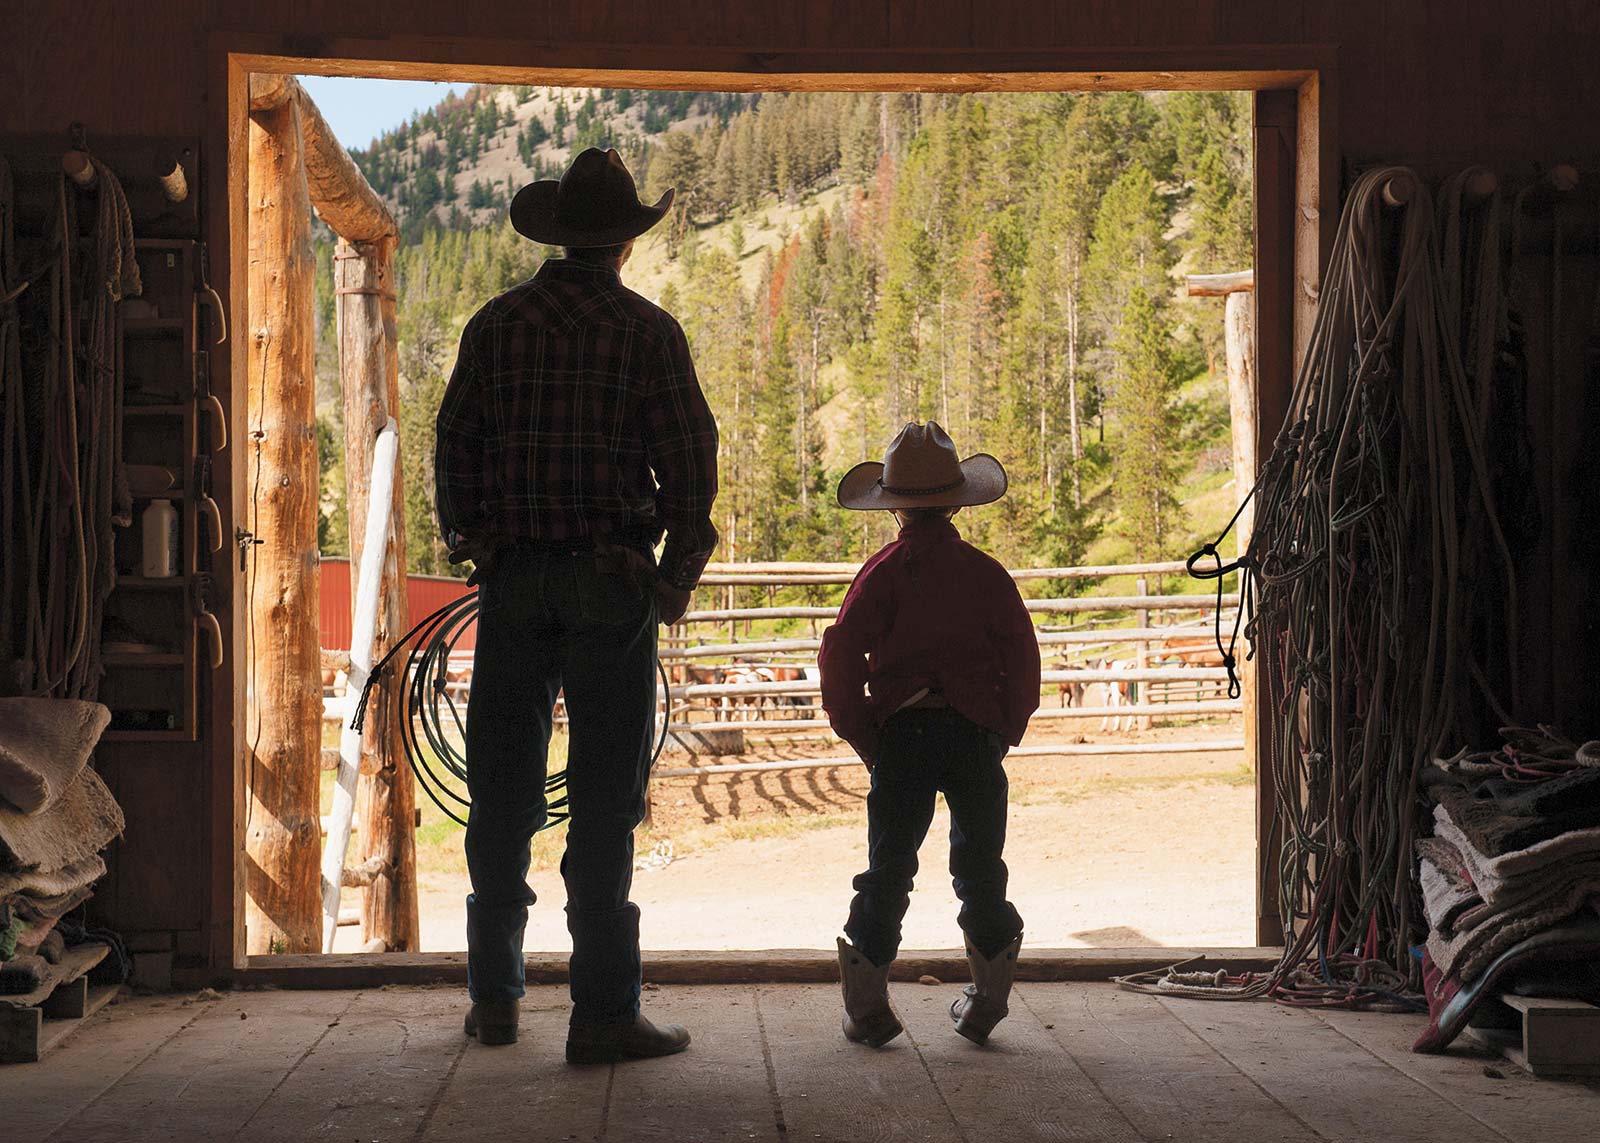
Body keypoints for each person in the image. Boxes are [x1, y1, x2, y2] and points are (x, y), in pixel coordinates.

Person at [434, 148, 719, 1064]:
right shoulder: (647, 333)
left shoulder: (496, 325)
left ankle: (496, 999)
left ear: (557, 236)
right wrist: (673, 575)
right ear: (624, 244)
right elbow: (690, 465)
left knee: (502, 792)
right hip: (611, 582)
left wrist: (476, 536)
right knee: (604, 800)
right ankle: (601, 1011)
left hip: (517, 581)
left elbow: (457, 444)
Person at [819, 421, 1040, 1047]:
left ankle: (867, 1010)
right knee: (980, 868)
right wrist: (1005, 725)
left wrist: (862, 731)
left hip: (904, 735)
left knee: (888, 868)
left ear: (894, 508)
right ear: (954, 501)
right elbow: (1021, 652)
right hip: (974, 734)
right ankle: (985, 1003)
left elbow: (841, 657)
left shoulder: (882, 574)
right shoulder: (985, 572)